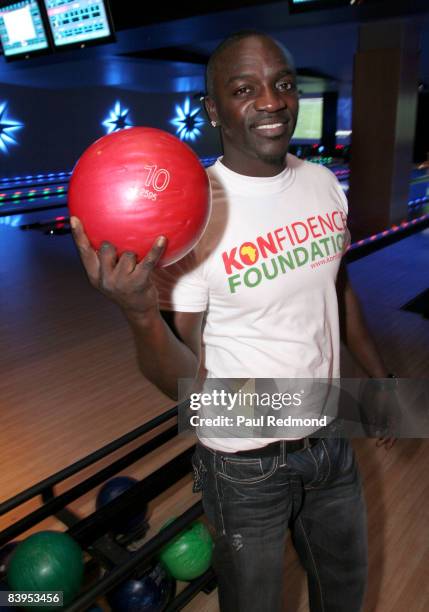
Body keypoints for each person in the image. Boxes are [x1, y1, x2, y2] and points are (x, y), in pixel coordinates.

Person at [71, 30, 396, 612]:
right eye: (245, 89)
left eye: (283, 84)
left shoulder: (324, 184)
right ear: (213, 109)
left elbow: (337, 285)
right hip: (244, 466)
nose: (271, 101)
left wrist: (379, 379)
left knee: (346, 595)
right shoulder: (193, 214)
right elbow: (184, 388)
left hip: (329, 438)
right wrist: (141, 313)